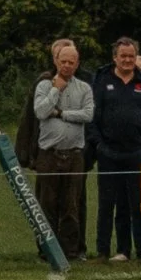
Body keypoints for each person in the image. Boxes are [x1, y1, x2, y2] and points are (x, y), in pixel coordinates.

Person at [88, 39, 141, 264]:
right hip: (108, 152)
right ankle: (104, 251)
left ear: (136, 57)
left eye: (131, 56)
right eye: (123, 56)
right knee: (108, 204)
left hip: (137, 152)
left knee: (138, 204)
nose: (127, 60)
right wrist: (98, 145)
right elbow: (93, 116)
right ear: (114, 57)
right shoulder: (102, 80)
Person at [31, 39, 94, 260]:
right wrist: (55, 91)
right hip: (49, 154)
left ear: (77, 64)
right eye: (63, 61)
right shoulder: (44, 86)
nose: (67, 65)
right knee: (47, 205)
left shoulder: (84, 88)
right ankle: (46, 250)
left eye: (71, 62)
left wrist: (61, 113)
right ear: (56, 61)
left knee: (71, 206)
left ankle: (71, 251)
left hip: (75, 155)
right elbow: (40, 111)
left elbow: (87, 115)